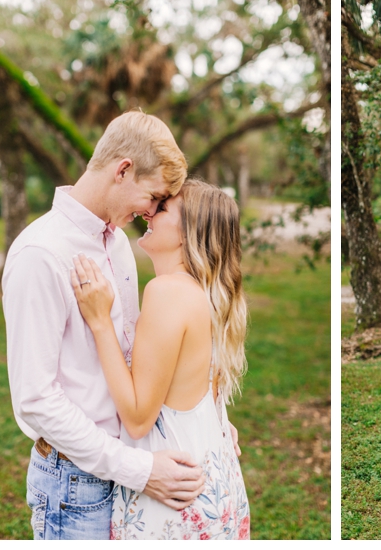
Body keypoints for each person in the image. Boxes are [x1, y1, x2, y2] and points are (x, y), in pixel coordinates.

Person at [3, 111, 221, 540]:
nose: (153, 212)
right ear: (123, 170)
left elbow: (138, 354)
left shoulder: (118, 244)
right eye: (155, 197)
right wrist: (139, 470)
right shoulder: (40, 254)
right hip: (75, 486)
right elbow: (35, 399)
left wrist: (205, 419)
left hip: (128, 469)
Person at [70, 179, 250, 540]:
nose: (149, 211)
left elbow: (138, 418)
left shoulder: (167, 292)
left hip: (173, 496)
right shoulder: (210, 294)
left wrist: (101, 321)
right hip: (217, 485)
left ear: (187, 232)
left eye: (163, 208)